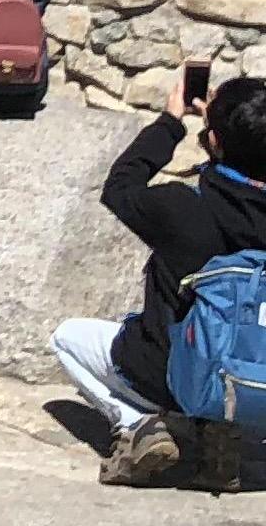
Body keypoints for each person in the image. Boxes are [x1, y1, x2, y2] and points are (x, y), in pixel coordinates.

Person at [51, 67, 266, 490]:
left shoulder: (183, 209)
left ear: (214, 142)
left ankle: (142, 427)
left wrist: (171, 123)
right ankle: (222, 432)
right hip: (255, 376)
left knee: (66, 337)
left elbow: (120, 186)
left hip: (171, 377)